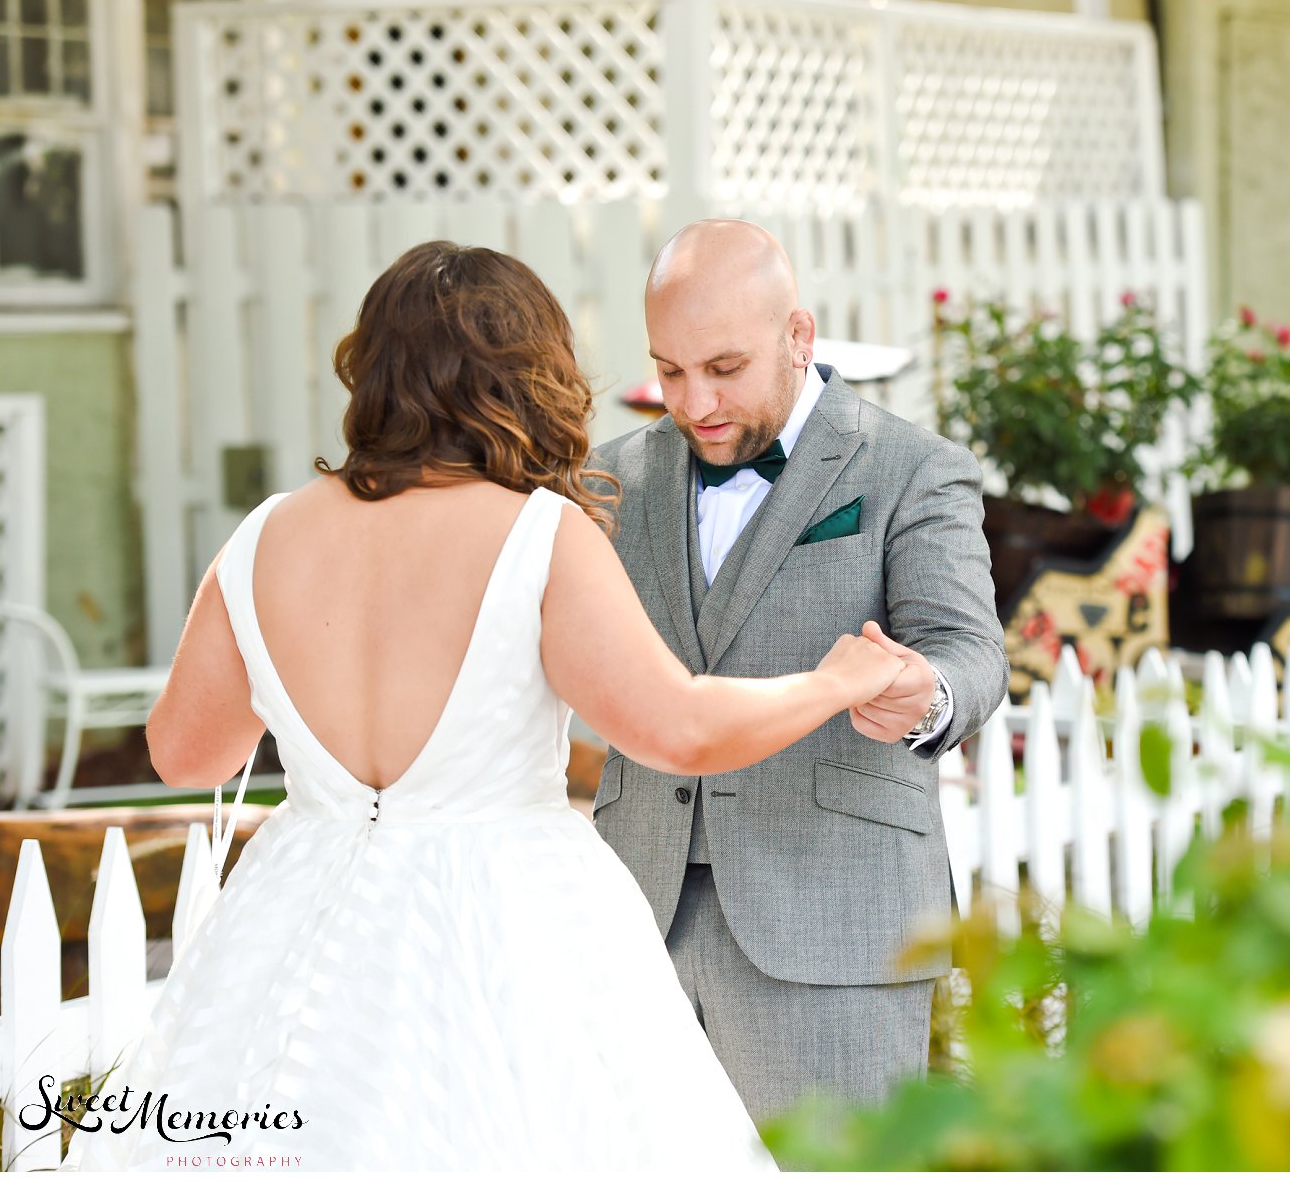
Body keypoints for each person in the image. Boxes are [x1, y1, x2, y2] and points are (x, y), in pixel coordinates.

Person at [95, 241, 904, 1173]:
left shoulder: (266, 533)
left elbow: (185, 756)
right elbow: (677, 729)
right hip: (500, 916)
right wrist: (834, 681)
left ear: (376, 373)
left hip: (300, 903)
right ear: (531, 376)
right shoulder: (537, 533)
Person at [592, 220, 1009, 1130]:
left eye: (724, 367)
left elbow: (971, 653)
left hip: (834, 916)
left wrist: (923, 693)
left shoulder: (913, 468)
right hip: (635, 917)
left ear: (799, 336)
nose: (694, 401)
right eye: (669, 370)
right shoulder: (605, 480)